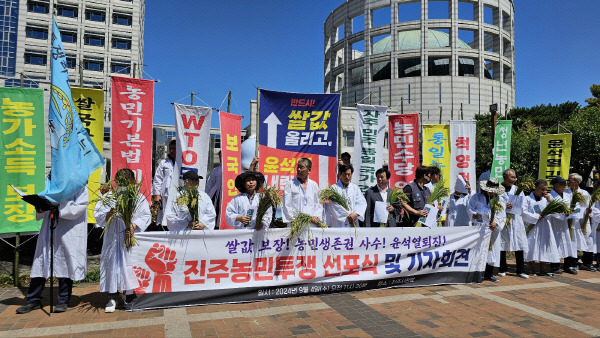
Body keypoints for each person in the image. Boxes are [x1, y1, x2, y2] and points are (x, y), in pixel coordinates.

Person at [16, 186, 89, 314]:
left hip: (68, 230)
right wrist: (40, 208)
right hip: (50, 228)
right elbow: (45, 202)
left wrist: (59, 205)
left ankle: (63, 300)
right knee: (41, 262)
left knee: (65, 263)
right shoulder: (53, 184)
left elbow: (80, 207)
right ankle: (33, 300)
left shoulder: (80, 186)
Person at [94, 169, 151, 313]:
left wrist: (133, 225)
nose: (123, 185)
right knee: (112, 264)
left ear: (132, 182)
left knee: (129, 264)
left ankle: (130, 296)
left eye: (127, 182)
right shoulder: (109, 197)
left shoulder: (138, 197)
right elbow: (98, 215)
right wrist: (108, 214)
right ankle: (112, 297)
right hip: (113, 236)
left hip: (129, 236)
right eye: (120, 182)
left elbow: (146, 215)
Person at [468, 178, 506, 282]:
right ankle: (476, 273)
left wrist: (496, 222)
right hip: (480, 227)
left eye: (493, 190)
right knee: (479, 249)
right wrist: (474, 215)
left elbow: (502, 215)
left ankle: (489, 273)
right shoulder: (476, 197)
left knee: (491, 250)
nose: (491, 192)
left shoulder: (500, 200)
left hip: (492, 229)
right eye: (489, 189)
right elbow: (470, 208)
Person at [523, 179, 560, 276]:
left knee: (545, 246)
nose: (544, 192)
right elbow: (523, 211)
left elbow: (554, 212)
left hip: (545, 226)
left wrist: (549, 202)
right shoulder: (527, 198)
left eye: (546, 190)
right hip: (532, 226)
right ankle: (531, 268)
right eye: (542, 190)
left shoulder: (547, 199)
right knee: (531, 245)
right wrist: (535, 217)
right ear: (535, 188)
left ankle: (543, 269)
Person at [498, 169, 529, 279]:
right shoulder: (498, 188)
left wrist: (516, 206)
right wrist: (503, 205)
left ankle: (520, 270)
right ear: (505, 177)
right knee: (502, 243)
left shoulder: (518, 190)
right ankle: (502, 268)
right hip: (502, 219)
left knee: (519, 244)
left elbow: (524, 204)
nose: (514, 180)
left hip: (516, 220)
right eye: (512, 177)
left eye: (515, 177)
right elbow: (493, 202)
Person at [549, 176, 578, 275]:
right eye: (563, 184)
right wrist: (562, 214)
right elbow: (550, 210)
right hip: (555, 223)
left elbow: (572, 206)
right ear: (557, 185)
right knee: (556, 244)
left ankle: (567, 265)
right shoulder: (550, 196)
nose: (565, 186)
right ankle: (554, 265)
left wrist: (571, 212)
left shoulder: (567, 195)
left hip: (566, 223)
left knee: (568, 243)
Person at [282, 158, 323, 226]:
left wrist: (316, 216)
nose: (298, 169)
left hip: (311, 224)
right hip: (295, 224)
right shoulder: (290, 184)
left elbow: (318, 203)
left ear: (309, 170)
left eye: (302, 167)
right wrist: (293, 219)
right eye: (298, 167)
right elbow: (286, 205)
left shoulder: (314, 185)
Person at [567, 173, 593, 271]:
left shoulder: (585, 193)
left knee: (588, 241)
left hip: (583, 220)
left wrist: (589, 211)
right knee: (574, 241)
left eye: (570, 180)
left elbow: (589, 206)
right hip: (572, 221)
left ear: (577, 182)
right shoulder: (566, 193)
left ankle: (587, 262)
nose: (568, 182)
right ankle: (574, 262)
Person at [152, 139, 176, 226]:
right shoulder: (164, 162)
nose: (172, 150)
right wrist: (157, 194)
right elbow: (158, 178)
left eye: (174, 148)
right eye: (171, 148)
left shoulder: (183, 162)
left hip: (178, 193)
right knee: (164, 215)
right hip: (165, 194)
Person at [205, 150, 222, 226]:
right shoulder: (216, 170)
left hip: (229, 194)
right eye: (220, 156)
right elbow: (210, 184)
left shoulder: (235, 169)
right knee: (215, 211)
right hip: (216, 195)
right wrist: (205, 196)